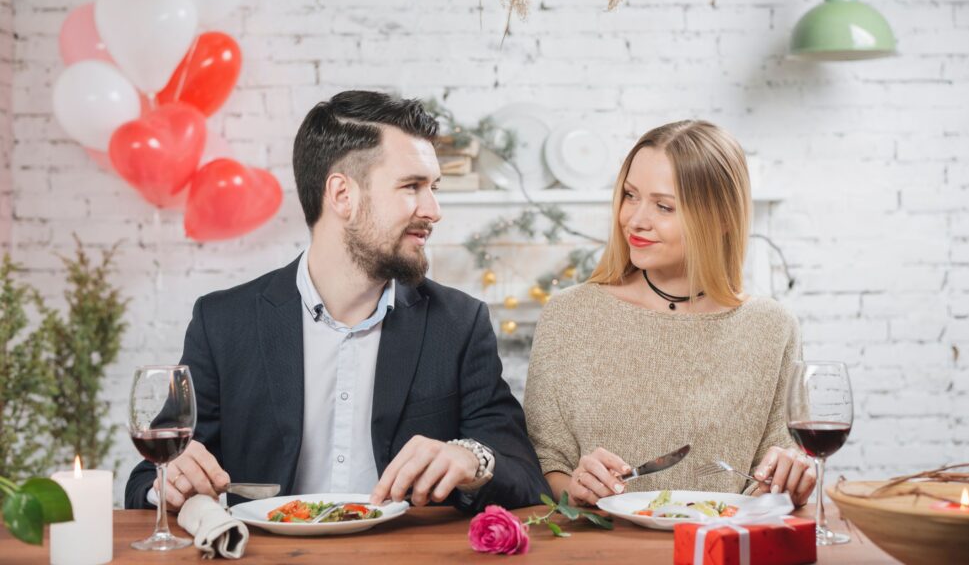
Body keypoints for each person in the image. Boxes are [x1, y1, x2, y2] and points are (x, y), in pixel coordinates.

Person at [125, 90, 549, 512]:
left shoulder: (459, 323)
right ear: (342, 194)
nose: (433, 209)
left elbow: (525, 477)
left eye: (433, 187)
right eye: (412, 186)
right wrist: (170, 481)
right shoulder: (223, 323)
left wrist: (475, 460)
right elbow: (150, 475)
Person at [523, 120, 815, 507]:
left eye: (663, 206)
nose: (635, 219)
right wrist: (575, 492)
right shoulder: (569, 315)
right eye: (630, 195)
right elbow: (545, 461)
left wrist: (787, 480)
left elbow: (777, 468)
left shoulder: (772, 328)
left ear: (723, 219)